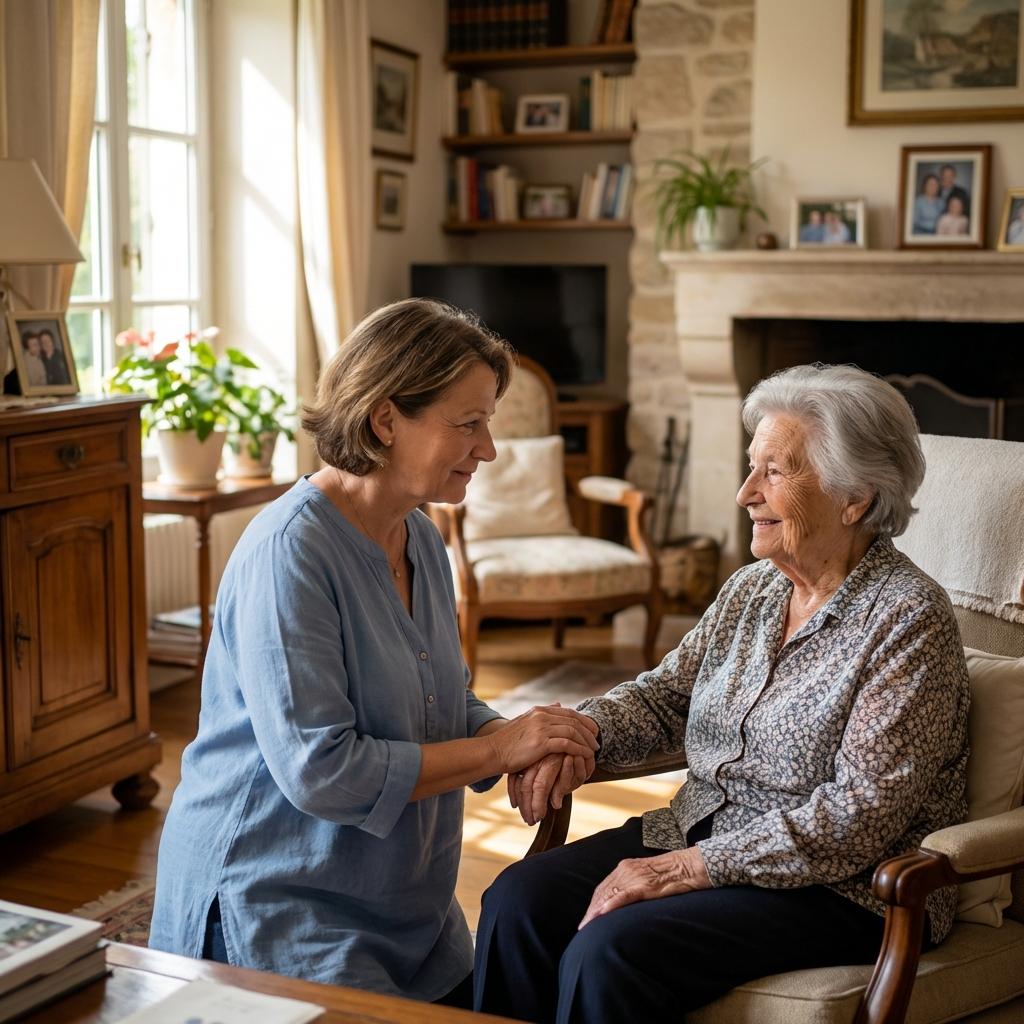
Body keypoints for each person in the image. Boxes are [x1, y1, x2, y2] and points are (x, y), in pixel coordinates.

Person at [474, 363, 969, 1024]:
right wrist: (574, 733)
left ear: (855, 497)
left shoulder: (908, 620)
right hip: (700, 832)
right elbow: (665, 700)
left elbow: (861, 816)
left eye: (775, 472)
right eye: (750, 466)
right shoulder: (752, 590)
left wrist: (683, 869)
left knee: (611, 952)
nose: (745, 493)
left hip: (845, 888)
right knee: (518, 902)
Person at [149, 299, 600, 1008]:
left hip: (408, 912)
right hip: (279, 907)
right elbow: (321, 771)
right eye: (469, 424)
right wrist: (496, 750)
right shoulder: (289, 553)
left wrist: (521, 738)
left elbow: (441, 700)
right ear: (386, 419)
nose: (488, 449)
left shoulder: (420, 537)